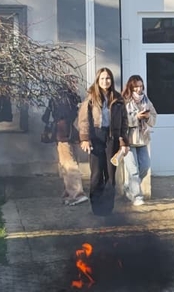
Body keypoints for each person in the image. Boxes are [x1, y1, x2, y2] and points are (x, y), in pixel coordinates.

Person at [77, 67, 127, 216]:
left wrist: (124, 143)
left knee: (111, 175)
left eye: (108, 78)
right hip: (96, 138)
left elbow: (124, 122)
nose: (105, 81)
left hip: (112, 138)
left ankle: (108, 208)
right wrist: (85, 139)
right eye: (102, 79)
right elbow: (84, 120)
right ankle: (97, 207)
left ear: (111, 80)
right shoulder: (91, 98)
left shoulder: (118, 99)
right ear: (98, 80)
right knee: (97, 174)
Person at [42, 80, 87, 206]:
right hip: (73, 133)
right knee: (71, 161)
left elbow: (46, 117)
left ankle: (77, 194)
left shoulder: (57, 98)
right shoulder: (75, 98)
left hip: (62, 134)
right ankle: (69, 192)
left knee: (68, 164)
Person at [121, 75, 157, 206]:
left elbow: (154, 116)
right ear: (131, 87)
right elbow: (121, 121)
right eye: (136, 86)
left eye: (141, 86)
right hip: (127, 140)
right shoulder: (124, 101)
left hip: (142, 139)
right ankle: (137, 196)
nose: (139, 89)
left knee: (145, 167)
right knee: (133, 170)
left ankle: (129, 185)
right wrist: (136, 117)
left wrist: (147, 117)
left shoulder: (146, 100)